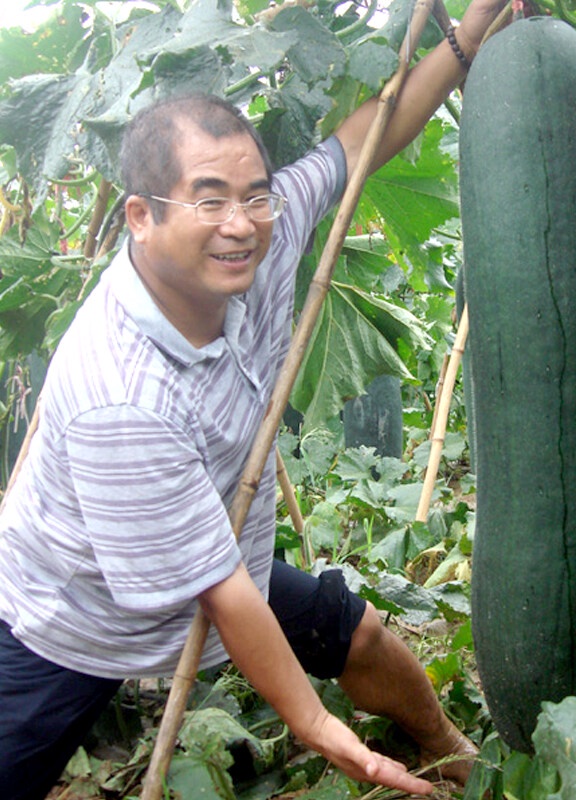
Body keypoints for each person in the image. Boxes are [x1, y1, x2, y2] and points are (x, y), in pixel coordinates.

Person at [0, 1, 506, 798]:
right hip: (77, 617)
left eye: (255, 194)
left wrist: (468, 33)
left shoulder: (257, 241)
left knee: (360, 635)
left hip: (221, 546)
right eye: (208, 199)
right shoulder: (120, 392)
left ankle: (450, 747)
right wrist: (318, 726)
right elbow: (225, 593)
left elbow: (363, 140)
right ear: (141, 216)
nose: (239, 225)